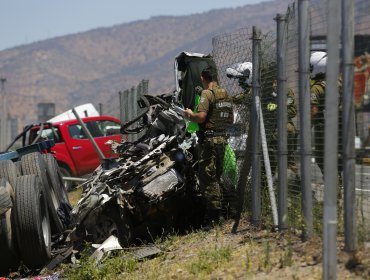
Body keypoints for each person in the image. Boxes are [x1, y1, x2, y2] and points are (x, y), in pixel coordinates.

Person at [184, 66, 234, 226]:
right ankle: (226, 209)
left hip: (209, 142)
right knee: (216, 175)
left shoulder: (207, 93)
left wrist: (189, 115)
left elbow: (201, 117)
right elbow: (230, 120)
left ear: (203, 78)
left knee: (207, 177)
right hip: (222, 140)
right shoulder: (225, 94)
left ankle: (214, 215)